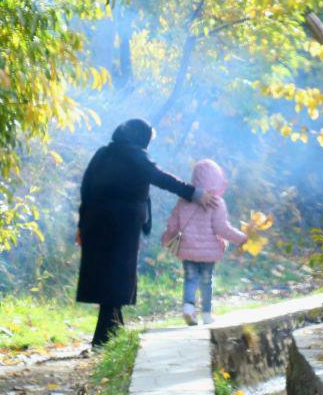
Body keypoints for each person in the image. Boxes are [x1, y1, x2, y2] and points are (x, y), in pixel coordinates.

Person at [75, 118, 214, 348]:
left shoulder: (102, 154)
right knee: (117, 276)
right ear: (142, 138)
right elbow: (162, 179)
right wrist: (196, 193)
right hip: (122, 224)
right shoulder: (136, 156)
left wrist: (81, 225)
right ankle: (103, 339)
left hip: (95, 222)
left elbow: (85, 189)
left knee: (106, 275)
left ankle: (112, 333)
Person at [161, 159, 248, 325]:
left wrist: (166, 237)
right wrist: (241, 238)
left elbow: (173, 224)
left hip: (187, 249)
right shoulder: (216, 202)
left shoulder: (184, 200)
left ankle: (188, 307)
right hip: (209, 253)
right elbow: (222, 228)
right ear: (216, 180)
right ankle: (207, 314)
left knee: (190, 279)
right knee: (206, 282)